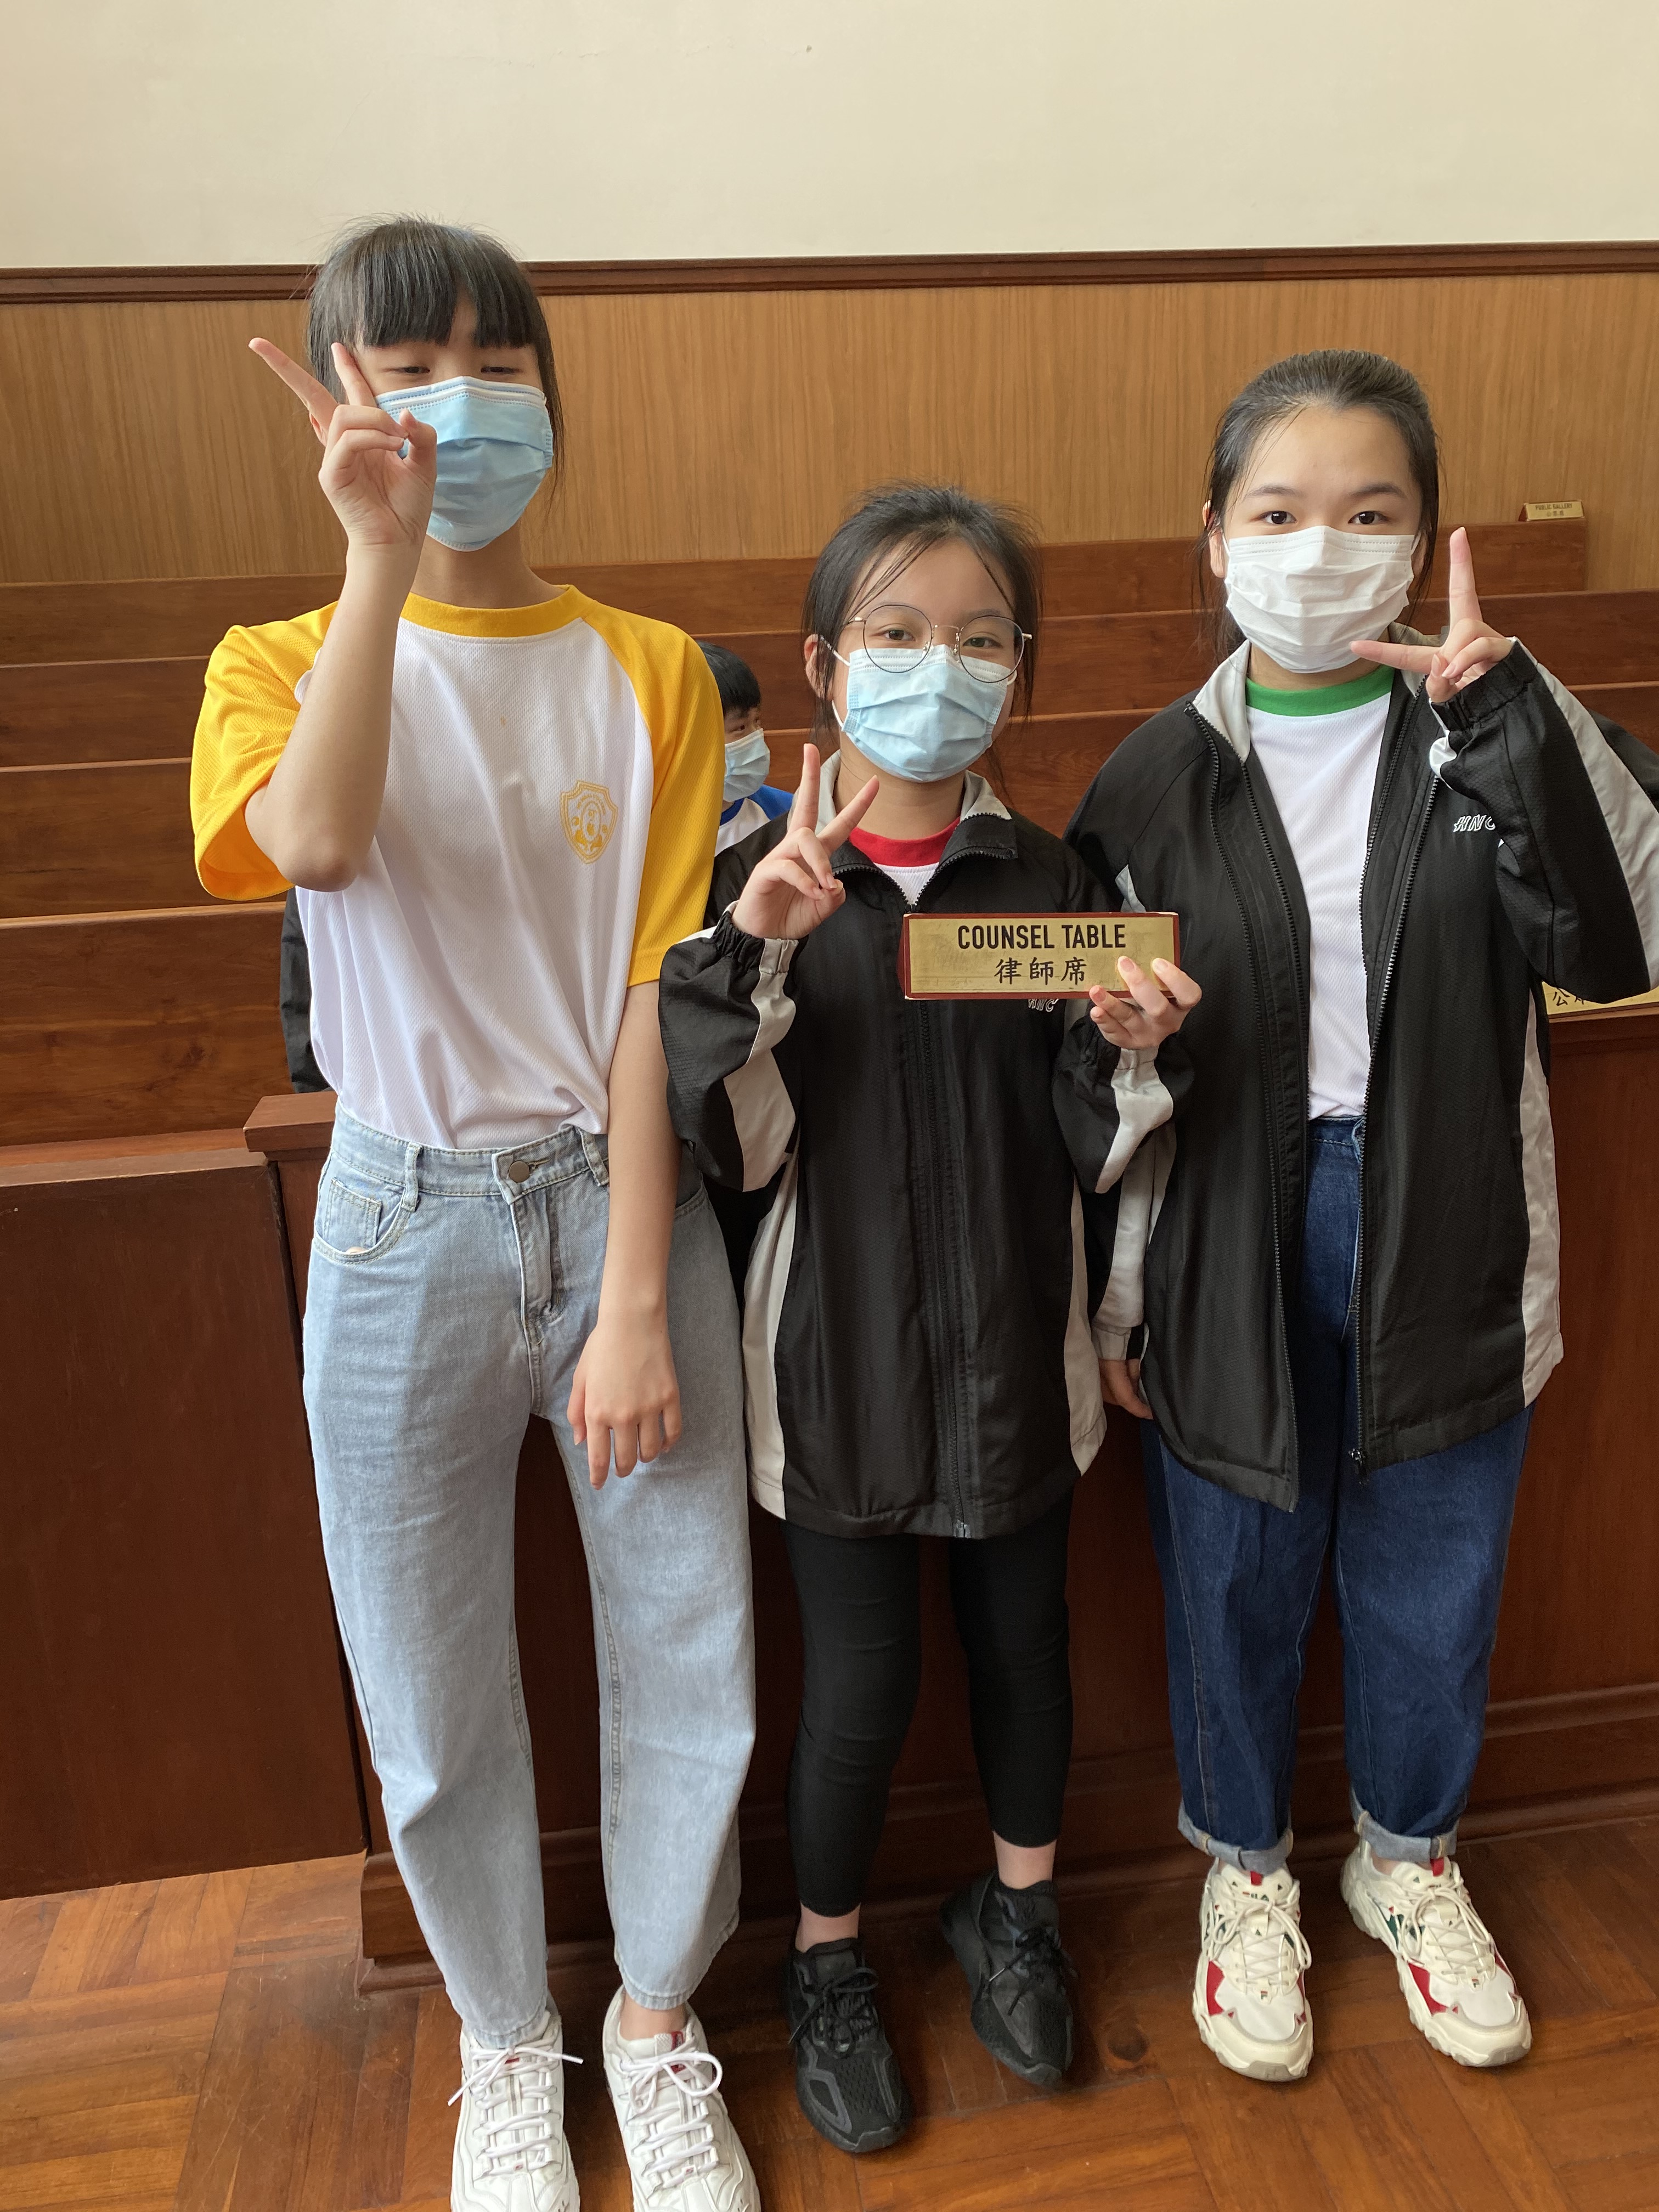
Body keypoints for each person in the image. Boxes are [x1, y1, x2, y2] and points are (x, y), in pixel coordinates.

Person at [188, 218, 759, 2212]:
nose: (455, 404)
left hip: (617, 1199)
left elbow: (653, 988)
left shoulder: (652, 669)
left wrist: (635, 1297)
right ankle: (508, 2043)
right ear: (337, 405)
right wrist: (376, 560)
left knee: (686, 1639)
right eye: (404, 364)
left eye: (493, 362)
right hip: (394, 1220)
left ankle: (656, 2028)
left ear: (548, 393)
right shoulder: (272, 663)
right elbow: (319, 837)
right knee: (425, 1678)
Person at [1066, 349, 1659, 2085]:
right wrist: (1120, 1291)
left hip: (1447, 1219)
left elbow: (1624, 942)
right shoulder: (1153, 779)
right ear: (1215, 537)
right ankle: (1247, 1871)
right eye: (1279, 513)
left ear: (1423, 539)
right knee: (1233, 1573)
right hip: (1223, 1232)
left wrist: (1513, 712)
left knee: (1434, 1577)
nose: (1319, 548)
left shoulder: (1495, 727)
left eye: (1367, 512)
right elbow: (1089, 1077)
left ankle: (1407, 1857)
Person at [658, 483, 1200, 2155]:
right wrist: (755, 958)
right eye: (896, 633)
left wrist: (1129, 1047)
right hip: (834, 1374)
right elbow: (735, 1151)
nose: (935, 667)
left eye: (977, 639)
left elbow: (1093, 1144)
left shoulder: (1050, 878)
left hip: (1020, 1357)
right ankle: (825, 1962)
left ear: (1017, 674)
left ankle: (1015, 1913)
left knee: (1026, 1655)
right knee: (860, 1692)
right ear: (827, 662)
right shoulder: (756, 883)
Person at [698, 640, 791, 853]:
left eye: (757, 721)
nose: (756, 737)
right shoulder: (647, 826)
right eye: (740, 727)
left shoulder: (785, 813)